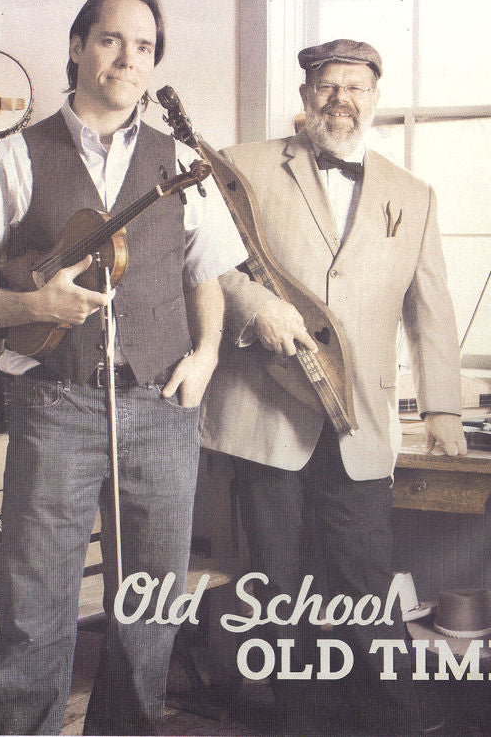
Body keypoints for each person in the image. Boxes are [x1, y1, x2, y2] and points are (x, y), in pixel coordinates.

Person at [0, 0, 246, 735]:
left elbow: (206, 273)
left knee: (150, 611)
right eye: (111, 39)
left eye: (144, 47)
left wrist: (206, 354)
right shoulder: (14, 156)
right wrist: (33, 307)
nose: (128, 59)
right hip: (55, 407)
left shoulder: (181, 161)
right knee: (35, 615)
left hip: (161, 408)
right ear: (77, 47)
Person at [201, 38, 466, 737]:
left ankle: (392, 724)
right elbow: (202, 260)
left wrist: (442, 407)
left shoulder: (413, 195)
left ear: (375, 99)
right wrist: (256, 307)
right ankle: (299, 725)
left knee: (364, 583)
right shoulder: (241, 165)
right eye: (327, 85)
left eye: (355, 87)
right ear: (305, 95)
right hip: (266, 415)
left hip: (360, 421)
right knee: (278, 588)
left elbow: (431, 307)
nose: (340, 99)